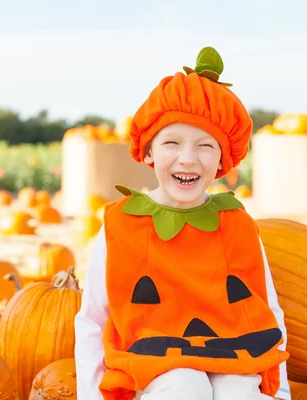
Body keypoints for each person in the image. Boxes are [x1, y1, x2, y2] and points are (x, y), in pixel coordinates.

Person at [74, 46, 291, 400]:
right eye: (171, 142)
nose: (187, 159)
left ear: (223, 159)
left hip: (234, 352)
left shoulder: (235, 223)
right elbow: (93, 320)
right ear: (147, 151)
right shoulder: (122, 224)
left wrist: (279, 392)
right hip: (151, 359)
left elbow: (268, 311)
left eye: (205, 145)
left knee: (238, 390)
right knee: (182, 385)